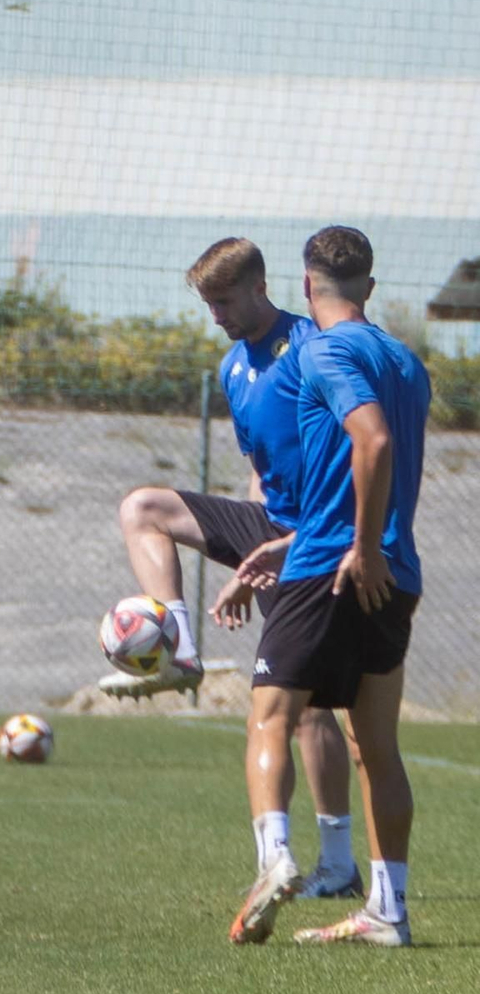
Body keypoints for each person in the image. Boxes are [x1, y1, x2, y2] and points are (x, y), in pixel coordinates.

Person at [100, 239, 361, 899]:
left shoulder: (310, 345)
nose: (215, 313)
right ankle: (181, 648)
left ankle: (338, 862)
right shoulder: (231, 368)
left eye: (223, 299)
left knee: (310, 708)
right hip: (266, 526)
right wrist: (250, 555)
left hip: (320, 534)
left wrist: (296, 543)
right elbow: (259, 466)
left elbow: (355, 440)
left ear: (258, 286)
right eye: (207, 302)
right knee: (143, 507)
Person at [227, 227, 429, 948]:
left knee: (271, 717)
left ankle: (274, 856)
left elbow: (371, 441)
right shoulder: (406, 360)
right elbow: (368, 467)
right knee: (377, 745)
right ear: (368, 287)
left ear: (306, 287)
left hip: (337, 565)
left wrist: (357, 546)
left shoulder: (321, 349)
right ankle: (388, 911)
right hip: (392, 571)